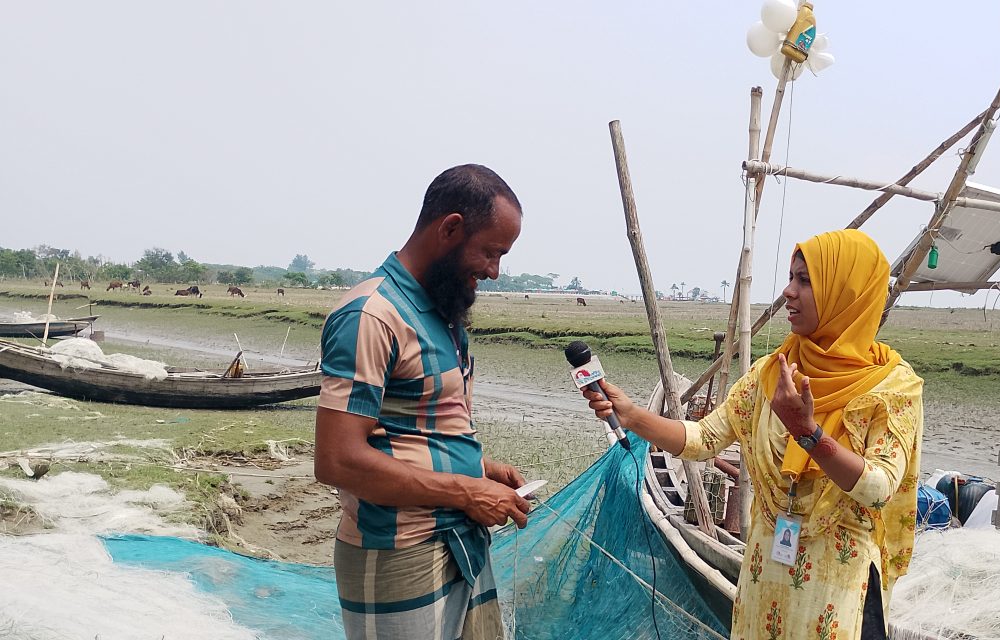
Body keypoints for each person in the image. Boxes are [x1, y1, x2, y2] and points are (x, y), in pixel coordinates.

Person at [581, 229, 924, 640]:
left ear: (845, 294)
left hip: (836, 590)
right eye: (790, 277)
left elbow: (878, 488)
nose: (788, 292)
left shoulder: (890, 389)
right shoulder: (771, 373)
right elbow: (703, 439)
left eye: (805, 280)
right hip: (765, 577)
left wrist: (808, 433)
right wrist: (633, 415)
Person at [314, 164, 532, 640]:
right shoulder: (371, 315)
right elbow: (337, 460)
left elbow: (415, 425)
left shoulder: (441, 313)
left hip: (458, 545)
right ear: (450, 228)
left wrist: (480, 468)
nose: (494, 272)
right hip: (401, 553)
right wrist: (467, 491)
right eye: (491, 252)